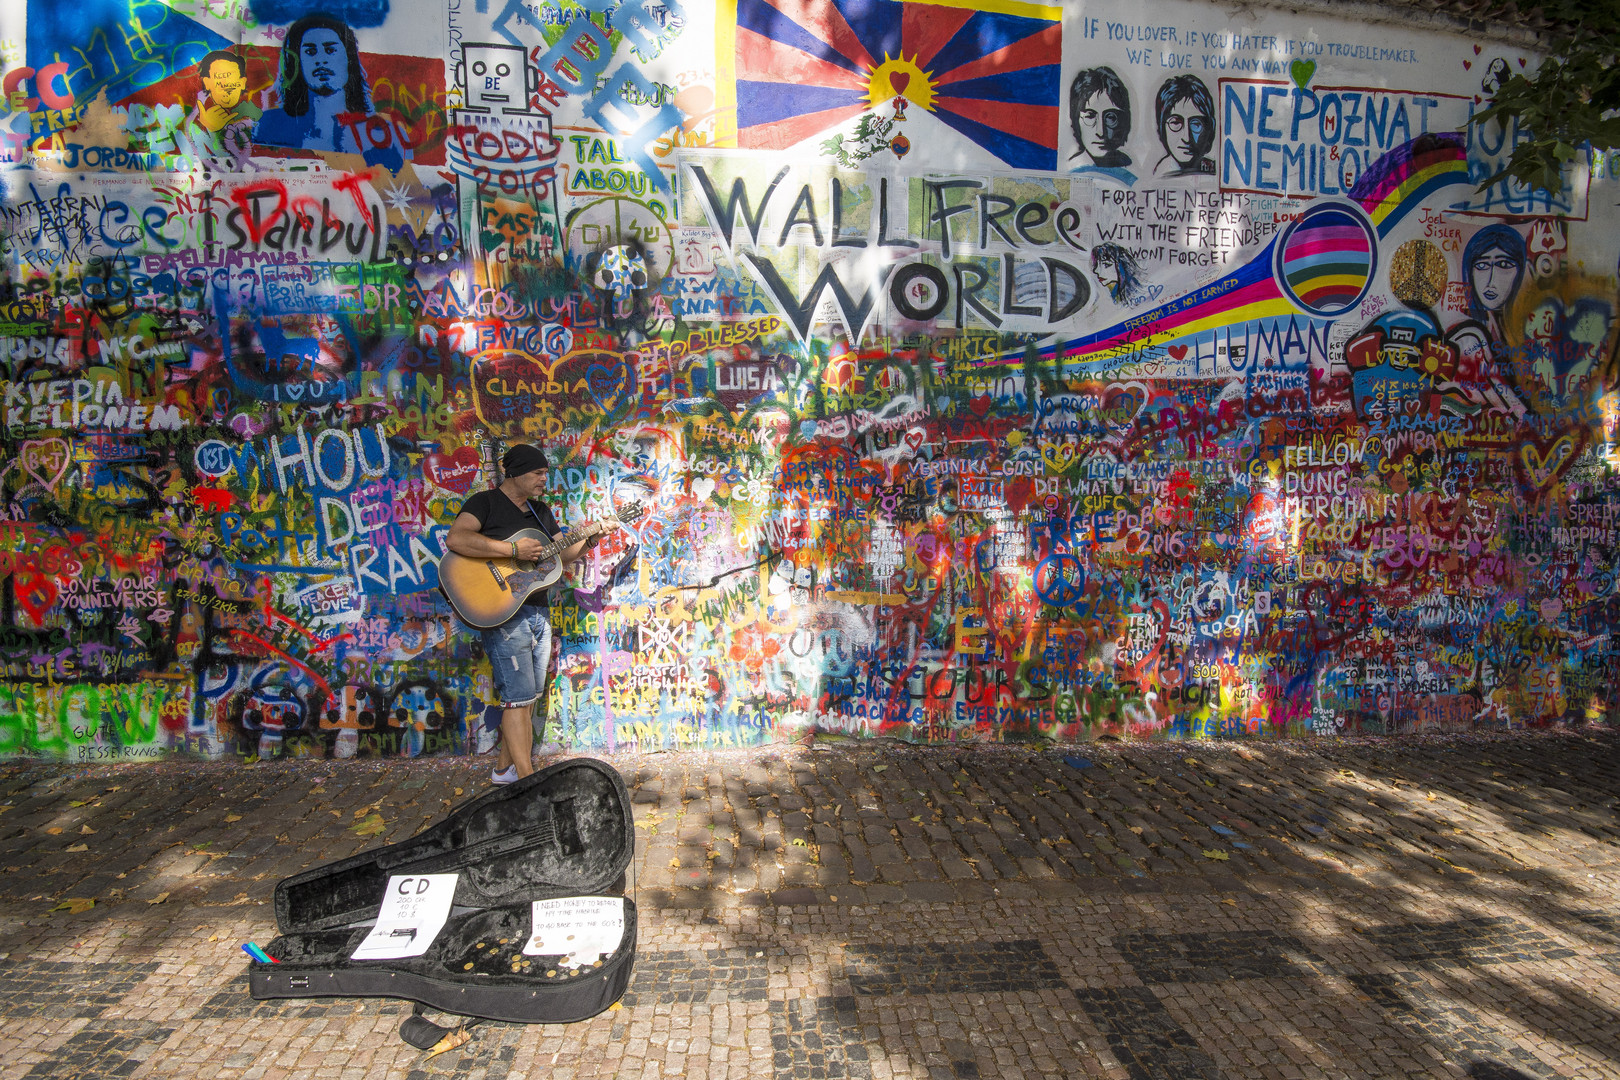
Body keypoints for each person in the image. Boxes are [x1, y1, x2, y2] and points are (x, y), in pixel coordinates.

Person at [445, 444, 595, 783]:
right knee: (517, 697)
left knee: (527, 697)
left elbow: (562, 554)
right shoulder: (484, 503)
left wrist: (589, 539)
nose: (544, 478)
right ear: (515, 474)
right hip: (502, 613)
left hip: (537, 610)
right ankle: (529, 782)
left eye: (545, 473)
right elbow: (457, 539)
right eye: (537, 473)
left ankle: (503, 771)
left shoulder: (540, 511)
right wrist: (510, 549)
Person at [254, 13, 403, 169]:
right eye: (310, 52)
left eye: (330, 50)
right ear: (297, 62)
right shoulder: (268, 126)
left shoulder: (384, 133)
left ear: (349, 58)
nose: (321, 60)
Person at [187, 50, 260, 170]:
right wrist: (207, 127)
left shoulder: (255, 110)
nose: (226, 88)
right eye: (219, 80)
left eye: (231, 80)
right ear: (207, 82)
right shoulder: (198, 115)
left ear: (242, 82)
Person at [1068, 67, 1134, 184]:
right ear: (1076, 119)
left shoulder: (1131, 174)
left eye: (1110, 117)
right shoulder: (1070, 170)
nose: (1100, 132)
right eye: (1090, 116)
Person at [1152, 75, 1215, 177]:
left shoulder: (1212, 170)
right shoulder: (1159, 175)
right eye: (1176, 123)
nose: (1186, 138)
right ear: (1162, 127)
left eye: (1196, 124)